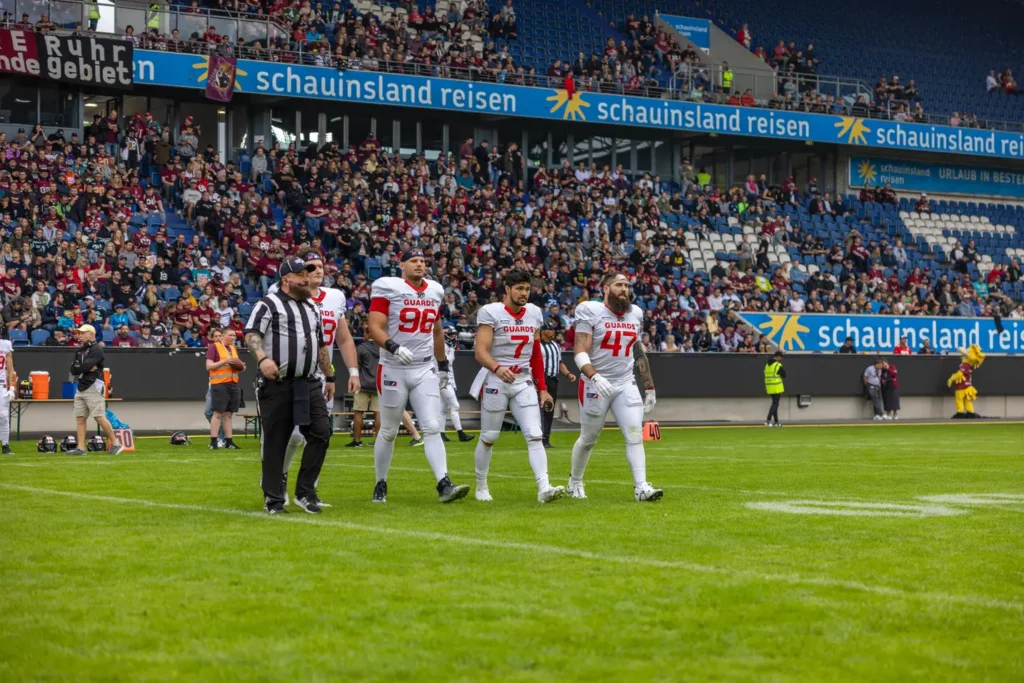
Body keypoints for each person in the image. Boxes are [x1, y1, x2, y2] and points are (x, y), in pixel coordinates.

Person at [367, 250, 469, 504]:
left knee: (433, 427)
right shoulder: (388, 287)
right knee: (389, 430)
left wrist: (443, 365)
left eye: (423, 261)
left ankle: (444, 483)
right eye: (413, 260)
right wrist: (393, 347)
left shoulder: (434, 290)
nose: (420, 264)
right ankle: (380, 482)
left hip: (424, 368)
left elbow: (436, 332)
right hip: (393, 367)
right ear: (401, 265)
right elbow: (374, 326)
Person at [270, 247, 359, 507]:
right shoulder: (281, 297)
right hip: (293, 373)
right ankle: (280, 480)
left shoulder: (334, 297)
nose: (317, 270)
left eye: (320, 265)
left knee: (320, 435)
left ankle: (309, 491)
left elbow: (343, 338)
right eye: (310, 266)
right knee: (295, 435)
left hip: (323, 375)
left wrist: (350, 372)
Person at [244, 256, 333, 514]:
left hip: (308, 382)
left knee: (320, 433)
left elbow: (321, 345)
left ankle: (305, 492)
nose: (307, 278)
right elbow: (252, 334)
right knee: (275, 442)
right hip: (277, 383)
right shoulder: (269, 304)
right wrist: (262, 359)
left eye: (309, 272)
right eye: (301, 274)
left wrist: (330, 376)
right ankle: (273, 500)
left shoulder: (312, 308)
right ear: (287, 279)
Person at [471, 268, 564, 503]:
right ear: (507, 289)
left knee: (535, 435)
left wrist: (542, 388)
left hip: (523, 381)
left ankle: (544, 487)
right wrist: (497, 368)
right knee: (489, 437)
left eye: (527, 288)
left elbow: (535, 354)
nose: (524, 293)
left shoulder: (533, 313)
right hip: (496, 380)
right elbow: (480, 352)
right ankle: (481, 486)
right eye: (520, 288)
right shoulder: (491, 312)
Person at [569, 272, 661, 502]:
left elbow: (637, 350)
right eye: (619, 285)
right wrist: (594, 376)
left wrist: (649, 386)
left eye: (627, 286)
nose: (624, 289)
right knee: (589, 438)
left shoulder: (635, 314)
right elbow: (579, 349)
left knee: (634, 435)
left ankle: (641, 487)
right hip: (596, 382)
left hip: (625, 382)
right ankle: (575, 481)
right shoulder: (591, 310)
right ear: (606, 289)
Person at [66, 325, 122, 456]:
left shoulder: (97, 350)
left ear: (91, 334)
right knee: (80, 417)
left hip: (93, 385)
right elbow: (74, 369)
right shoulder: (81, 350)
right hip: (81, 385)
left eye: (82, 333)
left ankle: (116, 443)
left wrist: (82, 367)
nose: (79, 335)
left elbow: (83, 366)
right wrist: (83, 367)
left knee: (98, 416)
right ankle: (81, 448)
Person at [539, 320, 576, 448]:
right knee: (539, 409)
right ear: (543, 331)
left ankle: (546, 438)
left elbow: (560, 363)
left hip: (553, 379)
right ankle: (536, 437)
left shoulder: (555, 345)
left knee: (549, 409)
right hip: (541, 379)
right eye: (551, 329)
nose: (553, 332)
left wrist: (568, 374)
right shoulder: (537, 345)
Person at [206, 326, 244, 449]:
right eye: (230, 335)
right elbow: (209, 366)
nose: (233, 337)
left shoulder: (233, 348)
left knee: (228, 415)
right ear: (223, 336)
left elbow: (235, 365)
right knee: (217, 414)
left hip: (233, 383)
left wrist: (241, 367)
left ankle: (229, 441)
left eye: (234, 335)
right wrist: (224, 361)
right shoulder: (214, 347)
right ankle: (214, 441)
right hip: (220, 384)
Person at [347, 325, 380, 448]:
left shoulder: (361, 348)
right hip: (378, 385)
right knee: (378, 413)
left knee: (358, 412)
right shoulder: (382, 349)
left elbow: (357, 366)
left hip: (363, 384)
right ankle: (379, 441)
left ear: (367, 334)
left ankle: (357, 440)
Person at [439, 327, 474, 443]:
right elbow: (445, 361)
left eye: (455, 334)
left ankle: (441, 434)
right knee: (455, 406)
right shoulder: (444, 346)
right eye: (452, 335)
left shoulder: (448, 346)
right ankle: (460, 433)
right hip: (443, 379)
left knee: (443, 409)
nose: (454, 337)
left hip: (447, 379)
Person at [203, 328, 226, 442]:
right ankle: (220, 434)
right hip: (212, 384)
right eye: (215, 336)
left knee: (220, 413)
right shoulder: (212, 349)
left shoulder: (227, 349)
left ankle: (220, 438)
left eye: (219, 335)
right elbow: (209, 366)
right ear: (212, 338)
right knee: (208, 412)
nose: (218, 338)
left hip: (224, 385)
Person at [0, 331, 16, 453]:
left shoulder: (5, 344)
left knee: (4, 416)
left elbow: (10, 367)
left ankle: (5, 445)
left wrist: (11, 386)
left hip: (1, 384)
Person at [764, 350, 786, 427]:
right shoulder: (778, 365)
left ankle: (776, 421)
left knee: (775, 403)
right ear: (778, 356)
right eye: (781, 357)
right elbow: (784, 375)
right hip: (776, 386)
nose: (781, 359)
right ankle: (768, 419)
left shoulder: (767, 365)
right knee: (775, 403)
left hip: (769, 386)